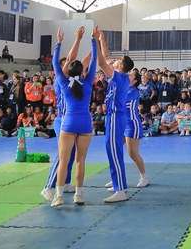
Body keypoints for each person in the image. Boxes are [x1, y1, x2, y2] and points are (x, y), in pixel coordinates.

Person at [50, 26, 98, 208]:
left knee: (64, 161)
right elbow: (93, 60)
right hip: (86, 123)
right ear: (82, 71)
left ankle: (59, 196)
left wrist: (59, 42)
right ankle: (79, 194)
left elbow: (55, 63)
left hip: (68, 123)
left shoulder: (62, 82)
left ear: (67, 71)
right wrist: (94, 40)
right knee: (80, 160)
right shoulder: (88, 82)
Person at [95, 32, 132, 203]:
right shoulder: (118, 75)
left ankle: (121, 190)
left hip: (117, 116)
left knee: (115, 151)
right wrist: (102, 39)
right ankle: (118, 183)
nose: (114, 60)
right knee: (111, 150)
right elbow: (107, 56)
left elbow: (102, 61)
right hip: (112, 116)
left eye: (118, 61)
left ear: (122, 66)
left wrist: (94, 41)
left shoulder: (120, 77)